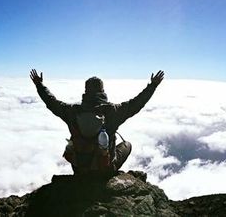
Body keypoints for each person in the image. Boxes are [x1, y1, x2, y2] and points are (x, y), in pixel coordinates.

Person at [29, 69, 164, 176]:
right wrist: (152, 86)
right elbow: (137, 103)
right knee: (127, 145)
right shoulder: (113, 111)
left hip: (79, 169)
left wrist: (39, 85)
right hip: (105, 171)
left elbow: (51, 102)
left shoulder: (72, 111)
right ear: (102, 91)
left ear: (86, 91)